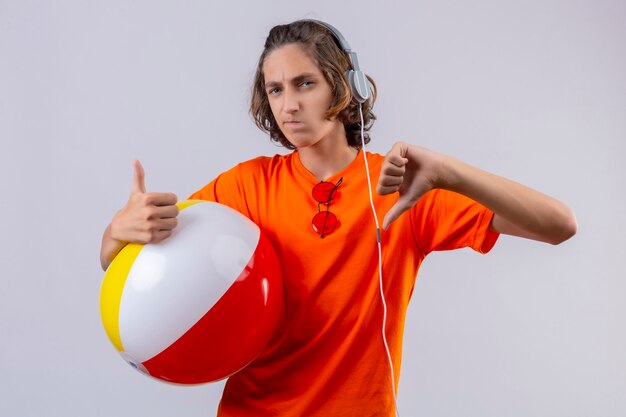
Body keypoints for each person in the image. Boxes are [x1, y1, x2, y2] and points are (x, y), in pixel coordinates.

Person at [99, 20, 577, 417]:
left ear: (345, 86)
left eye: (304, 83)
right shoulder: (245, 187)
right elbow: (127, 267)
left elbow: (559, 225)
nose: (288, 104)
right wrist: (116, 232)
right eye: (275, 89)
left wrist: (450, 173)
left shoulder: (404, 188)